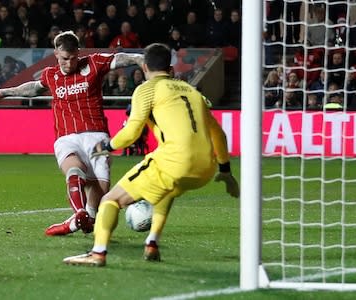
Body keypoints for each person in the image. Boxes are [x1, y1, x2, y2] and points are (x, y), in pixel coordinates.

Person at [63, 43, 239, 267]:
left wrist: (105, 146)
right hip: (205, 167)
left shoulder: (147, 89)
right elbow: (219, 135)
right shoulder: (192, 91)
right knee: (167, 191)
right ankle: (152, 243)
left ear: (144, 67)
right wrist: (225, 171)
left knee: (110, 200)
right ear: (171, 69)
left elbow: (131, 132)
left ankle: (97, 253)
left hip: (174, 161)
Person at [0, 31, 144, 236]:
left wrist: (140, 59)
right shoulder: (51, 74)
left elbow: (118, 59)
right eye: (63, 59)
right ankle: (79, 212)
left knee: (100, 192)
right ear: (56, 54)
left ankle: (80, 220)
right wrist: (4, 92)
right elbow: (34, 88)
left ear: (78, 53)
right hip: (66, 136)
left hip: (97, 136)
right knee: (73, 171)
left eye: (71, 59)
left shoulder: (94, 63)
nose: (67, 64)